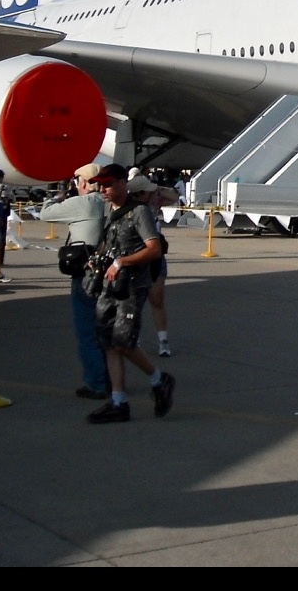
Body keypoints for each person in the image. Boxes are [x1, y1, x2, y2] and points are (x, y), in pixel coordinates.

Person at [84, 163, 175, 424]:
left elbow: (154, 249)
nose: (103, 189)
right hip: (109, 286)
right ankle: (118, 401)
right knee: (109, 343)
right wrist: (96, 261)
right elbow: (107, 246)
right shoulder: (109, 213)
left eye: (108, 184)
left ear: (124, 183)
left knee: (123, 342)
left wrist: (122, 262)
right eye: (100, 185)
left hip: (132, 287)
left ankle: (160, 379)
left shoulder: (139, 213)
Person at [39, 164, 110, 399]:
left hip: (85, 273)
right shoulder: (106, 202)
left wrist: (58, 196)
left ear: (82, 183)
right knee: (104, 332)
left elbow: (45, 214)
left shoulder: (83, 203)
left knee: (86, 332)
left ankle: (97, 383)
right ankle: (110, 378)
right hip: (106, 271)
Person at [127, 171, 179, 358]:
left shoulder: (154, 203)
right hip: (138, 255)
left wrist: (157, 188)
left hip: (156, 257)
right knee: (135, 302)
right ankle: (135, 338)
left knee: (157, 300)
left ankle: (163, 341)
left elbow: (174, 197)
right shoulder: (129, 208)